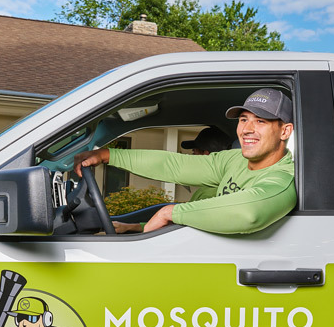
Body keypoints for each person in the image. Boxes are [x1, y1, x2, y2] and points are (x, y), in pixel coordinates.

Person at [74, 88, 296, 235]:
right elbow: (175, 165)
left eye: (260, 121)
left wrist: (170, 212)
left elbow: (249, 214)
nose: (247, 129)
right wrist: (107, 155)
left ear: (285, 131)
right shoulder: (233, 159)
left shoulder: (283, 179)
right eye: (243, 119)